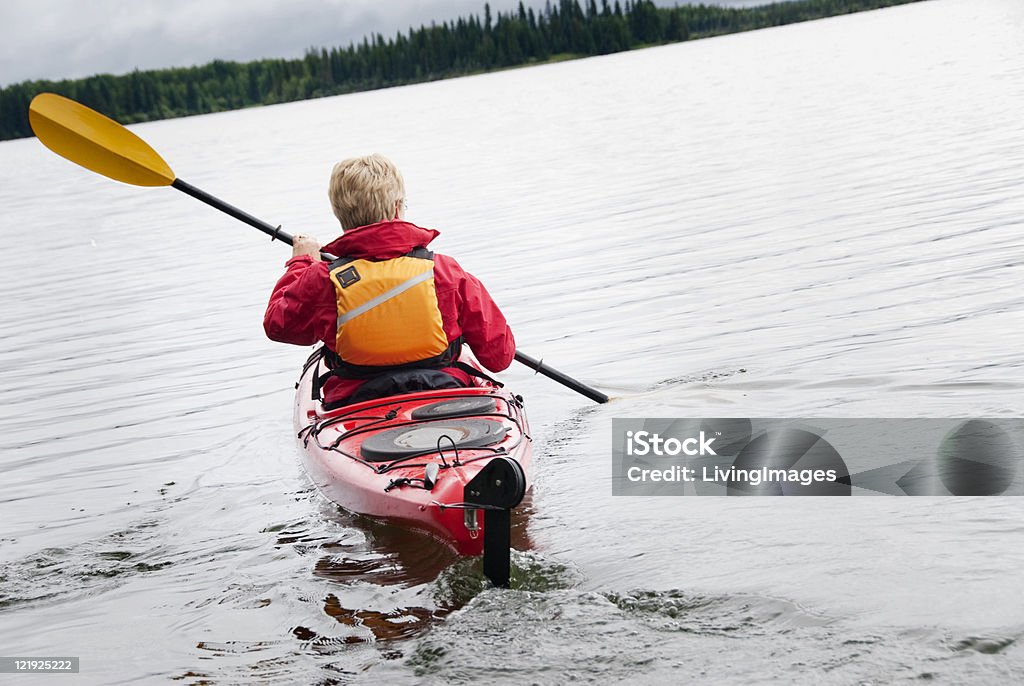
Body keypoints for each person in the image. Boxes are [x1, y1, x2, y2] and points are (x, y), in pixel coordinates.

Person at [264, 153, 515, 408]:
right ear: (397, 207)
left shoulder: (321, 279)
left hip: (357, 404)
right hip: (446, 393)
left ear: (340, 215)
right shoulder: (445, 271)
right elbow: (499, 357)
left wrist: (301, 262)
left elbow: (278, 326)